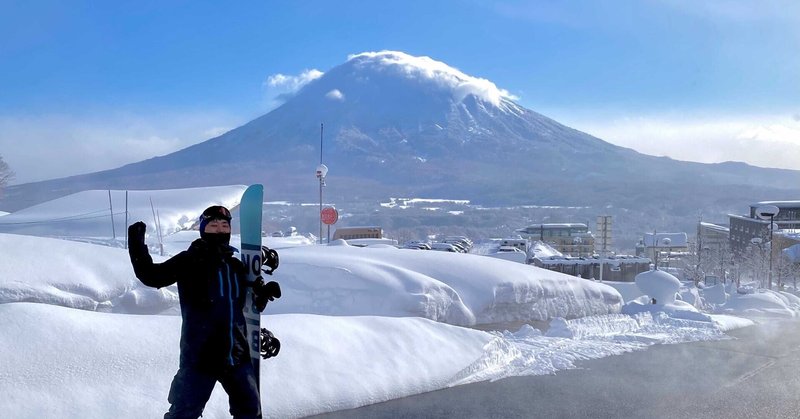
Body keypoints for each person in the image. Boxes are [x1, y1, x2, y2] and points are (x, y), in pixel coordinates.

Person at [127, 205, 281, 419]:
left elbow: (246, 307)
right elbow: (151, 276)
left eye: (224, 226)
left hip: (236, 356)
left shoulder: (235, 266)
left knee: (250, 413)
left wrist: (262, 294)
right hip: (200, 357)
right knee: (183, 414)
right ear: (202, 229)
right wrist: (136, 246)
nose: (219, 230)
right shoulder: (189, 260)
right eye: (213, 225)